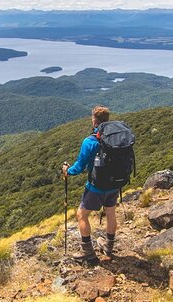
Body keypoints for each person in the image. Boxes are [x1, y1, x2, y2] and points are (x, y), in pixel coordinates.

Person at [62, 105, 118, 263]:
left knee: (81, 214)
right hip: (115, 184)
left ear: (94, 121)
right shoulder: (115, 138)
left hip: (96, 186)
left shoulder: (90, 141)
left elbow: (79, 167)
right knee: (111, 214)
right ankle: (109, 248)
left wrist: (67, 171)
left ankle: (88, 252)